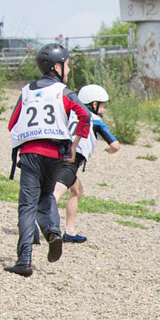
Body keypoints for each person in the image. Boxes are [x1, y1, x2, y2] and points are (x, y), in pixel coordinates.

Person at [5, 43, 90, 277]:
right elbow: (84, 114)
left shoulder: (27, 91)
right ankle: (52, 231)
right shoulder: (64, 92)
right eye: (67, 65)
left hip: (30, 153)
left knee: (27, 206)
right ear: (56, 66)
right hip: (55, 154)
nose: (69, 69)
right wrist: (74, 144)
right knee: (46, 194)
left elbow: (12, 123)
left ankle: (24, 261)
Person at [51, 84, 121, 244]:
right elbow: (115, 145)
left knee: (76, 190)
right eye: (102, 105)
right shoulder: (95, 120)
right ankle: (39, 224)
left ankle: (70, 231)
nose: (103, 110)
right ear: (93, 103)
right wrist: (109, 150)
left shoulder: (71, 114)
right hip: (72, 160)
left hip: (58, 155)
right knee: (55, 194)